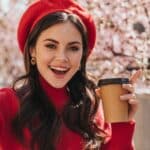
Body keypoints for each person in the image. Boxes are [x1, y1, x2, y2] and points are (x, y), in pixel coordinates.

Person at [0, 0, 141, 150]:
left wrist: (121, 122)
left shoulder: (92, 110)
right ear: (32, 50)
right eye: (51, 46)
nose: (62, 58)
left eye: (73, 48)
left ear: (83, 55)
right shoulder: (6, 103)